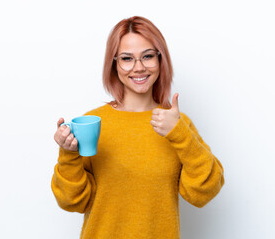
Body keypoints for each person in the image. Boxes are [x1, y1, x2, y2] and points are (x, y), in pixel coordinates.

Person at [51, 16, 224, 239]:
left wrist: (180, 134)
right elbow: (71, 201)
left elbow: (204, 192)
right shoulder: (93, 122)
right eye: (127, 58)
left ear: (160, 60)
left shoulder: (176, 124)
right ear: (114, 63)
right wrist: (68, 154)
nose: (139, 67)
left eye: (148, 56)